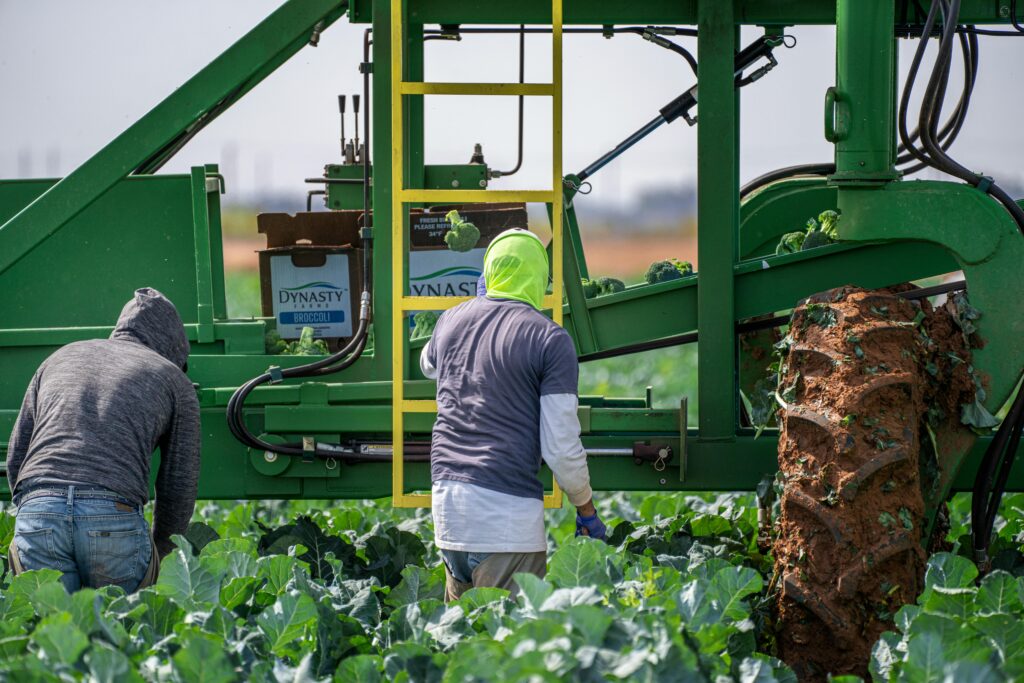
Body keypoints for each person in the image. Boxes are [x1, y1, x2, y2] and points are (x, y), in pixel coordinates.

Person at [421, 228, 606, 602]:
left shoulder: (450, 321)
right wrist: (585, 507)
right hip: (503, 525)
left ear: (487, 274)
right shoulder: (550, 340)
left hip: (449, 515)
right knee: (513, 651)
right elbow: (559, 447)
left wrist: (474, 313)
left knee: (462, 649)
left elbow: (428, 365)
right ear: (539, 278)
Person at [6, 287, 201, 593]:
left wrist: (37, 508)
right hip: (112, 516)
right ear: (174, 350)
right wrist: (163, 551)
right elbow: (179, 483)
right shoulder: (173, 378)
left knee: (51, 632)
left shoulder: (60, 357)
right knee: (121, 630)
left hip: (38, 510)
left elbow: (17, 455)